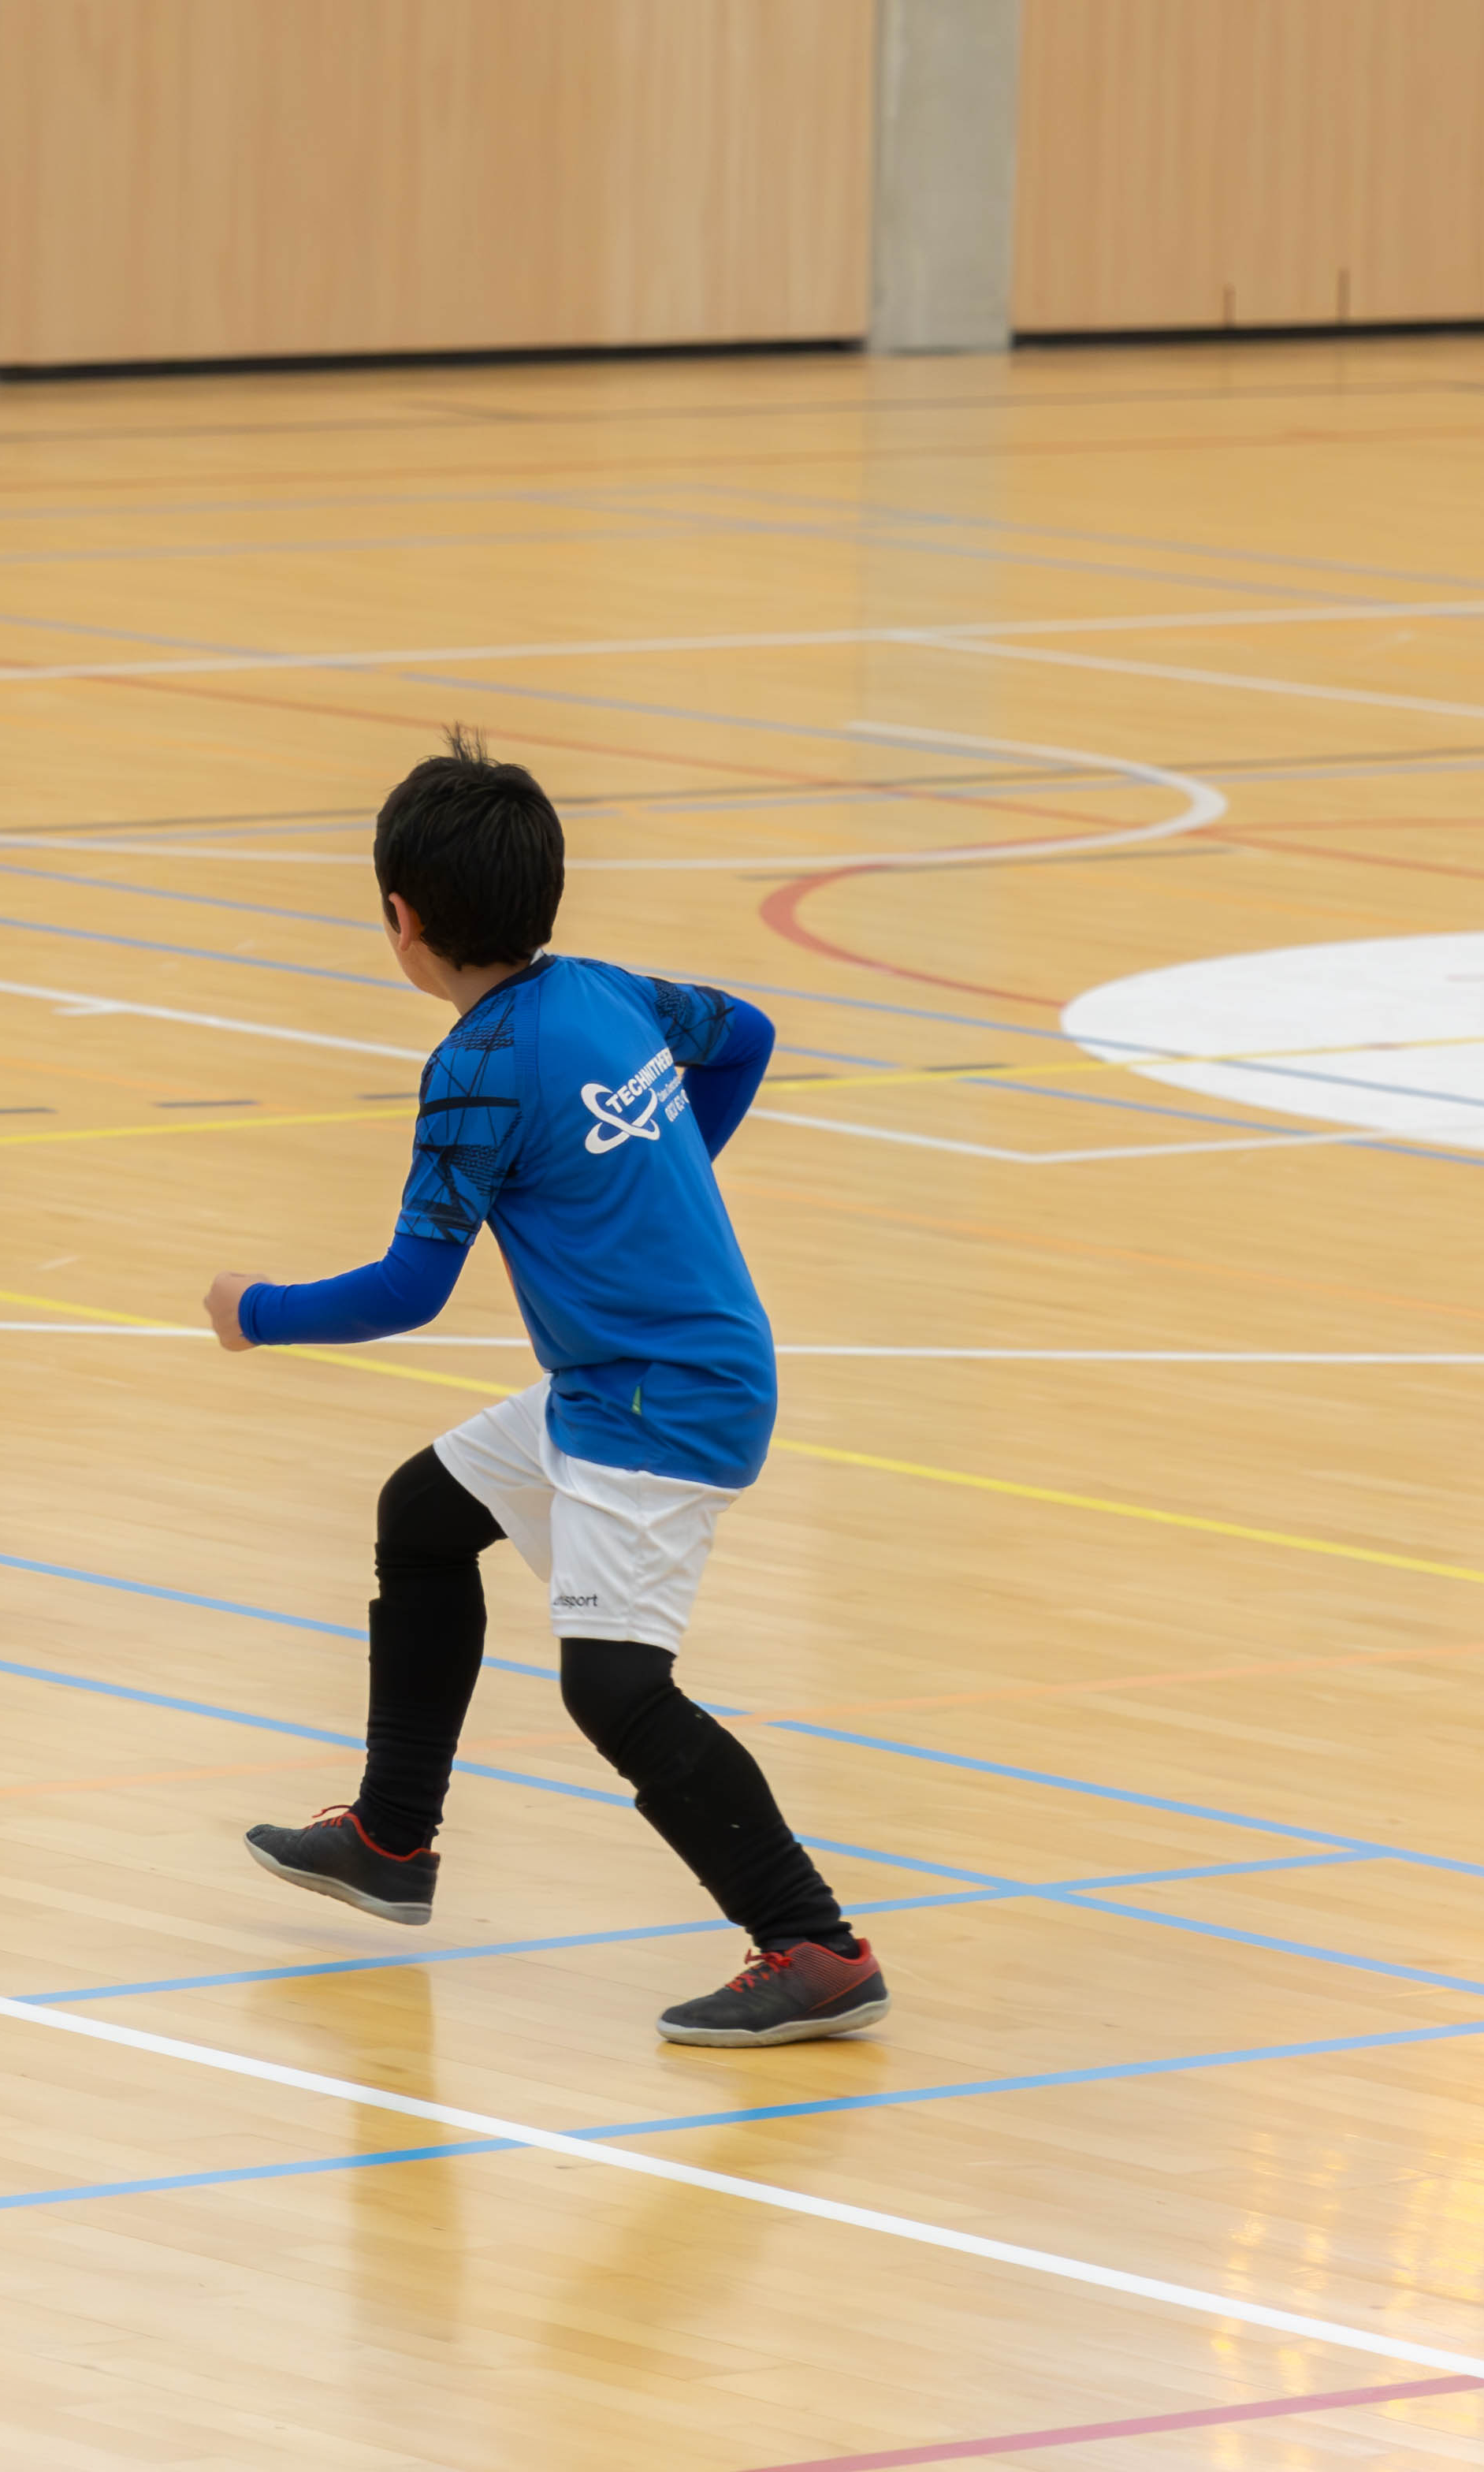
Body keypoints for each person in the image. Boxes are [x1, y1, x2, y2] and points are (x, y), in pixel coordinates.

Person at [206, 743, 885, 2050]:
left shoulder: (477, 1068)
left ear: (400, 917)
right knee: (423, 1516)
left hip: (657, 1400)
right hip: (631, 1377)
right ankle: (391, 1838)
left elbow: (412, 1289)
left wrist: (258, 1312)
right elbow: (746, 1035)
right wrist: (658, 1174)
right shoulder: (602, 990)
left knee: (615, 1689)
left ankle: (814, 1943)